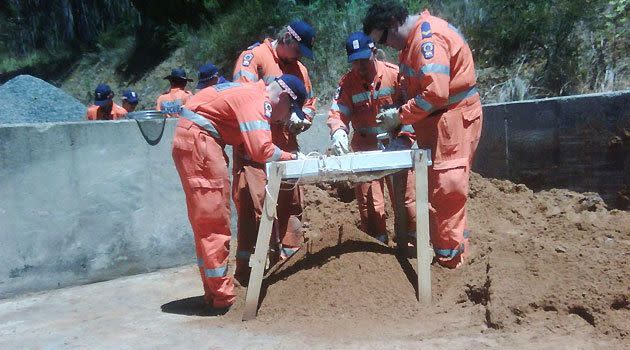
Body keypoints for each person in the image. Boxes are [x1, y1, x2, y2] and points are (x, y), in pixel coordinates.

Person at [363, 1, 483, 268]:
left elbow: (435, 94)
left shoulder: (427, 41)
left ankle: (451, 261)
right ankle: (450, 250)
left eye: (383, 38)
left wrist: (401, 115)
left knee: (447, 189)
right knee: (437, 190)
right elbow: (416, 89)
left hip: (451, 121)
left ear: (393, 22)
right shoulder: (411, 45)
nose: (386, 46)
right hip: (436, 124)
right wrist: (399, 115)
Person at [171, 75, 307, 310]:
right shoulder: (258, 102)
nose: (284, 118)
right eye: (288, 111)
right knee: (213, 222)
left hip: (197, 140)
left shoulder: (252, 93)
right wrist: (294, 157)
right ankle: (223, 300)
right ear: (284, 97)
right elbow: (261, 150)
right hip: (200, 143)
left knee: (206, 223)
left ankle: (214, 293)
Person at [231, 20, 317, 284]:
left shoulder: (300, 69)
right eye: (299, 49)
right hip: (256, 150)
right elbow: (244, 100)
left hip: (286, 147)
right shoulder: (254, 58)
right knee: (254, 207)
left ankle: (290, 268)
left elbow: (310, 102)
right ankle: (249, 274)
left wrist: (304, 119)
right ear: (289, 40)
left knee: (291, 206)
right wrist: (276, 119)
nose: (301, 56)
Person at [327, 32, 416, 244]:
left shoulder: (396, 76)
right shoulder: (348, 83)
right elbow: (337, 112)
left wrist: (403, 137)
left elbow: (414, 111)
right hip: (365, 149)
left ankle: (410, 244)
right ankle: (377, 246)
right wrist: (338, 131)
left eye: (363, 60)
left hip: (396, 148)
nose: (360, 67)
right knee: (370, 206)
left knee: (406, 202)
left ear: (374, 53)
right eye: (354, 62)